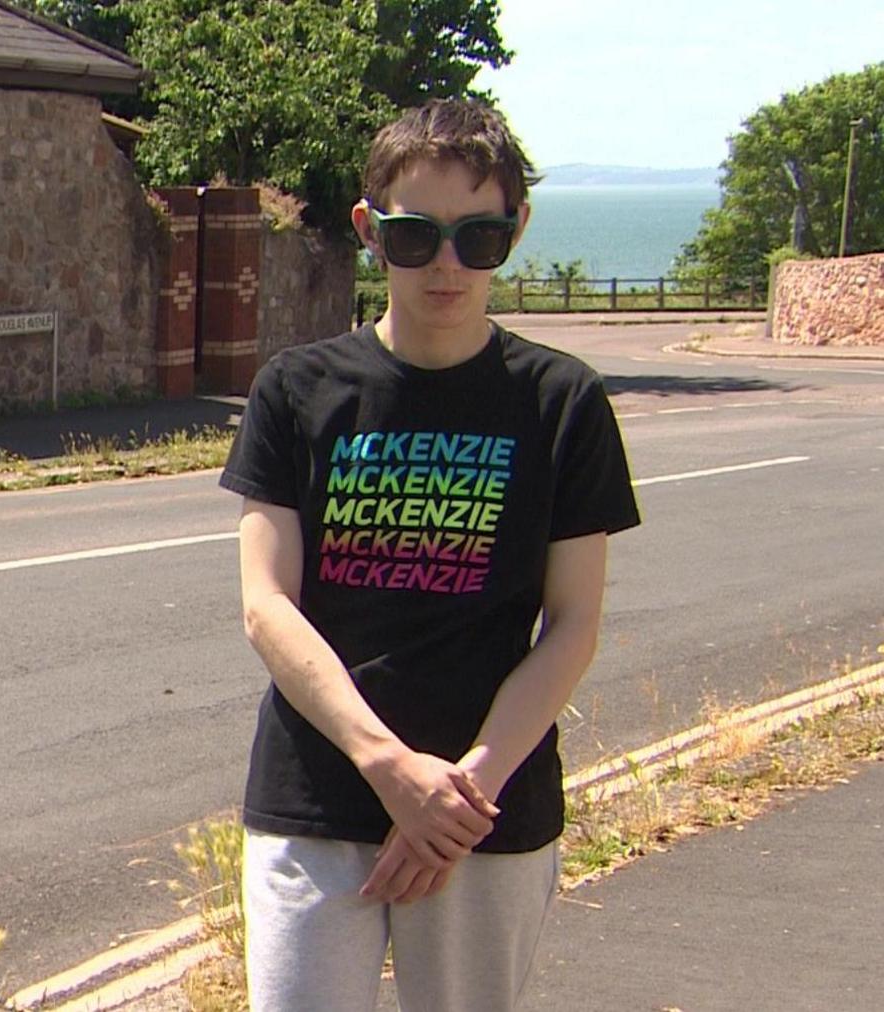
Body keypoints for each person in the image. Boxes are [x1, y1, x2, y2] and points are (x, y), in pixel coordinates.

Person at [220, 98, 640, 1012]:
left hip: (485, 810)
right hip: (319, 796)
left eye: (477, 237)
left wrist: (457, 799)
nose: (447, 265)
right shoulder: (297, 390)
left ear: (515, 230)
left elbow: (571, 626)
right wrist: (389, 768)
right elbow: (266, 605)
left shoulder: (561, 402)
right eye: (416, 237)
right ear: (371, 232)